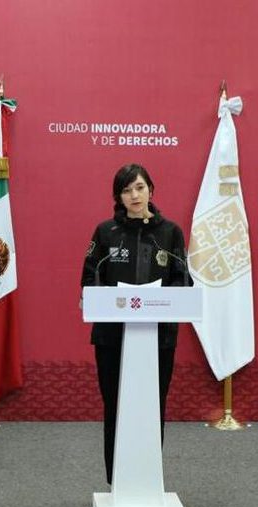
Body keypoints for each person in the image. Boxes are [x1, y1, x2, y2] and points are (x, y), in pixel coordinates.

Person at [80, 163, 192, 484]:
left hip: (158, 338)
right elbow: (90, 279)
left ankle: (148, 479)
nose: (134, 195)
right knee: (115, 404)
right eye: (127, 190)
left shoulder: (170, 233)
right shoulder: (105, 232)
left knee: (153, 406)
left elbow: (182, 280)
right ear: (118, 196)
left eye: (140, 188)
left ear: (151, 190)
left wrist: (160, 301)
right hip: (112, 338)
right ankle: (117, 480)